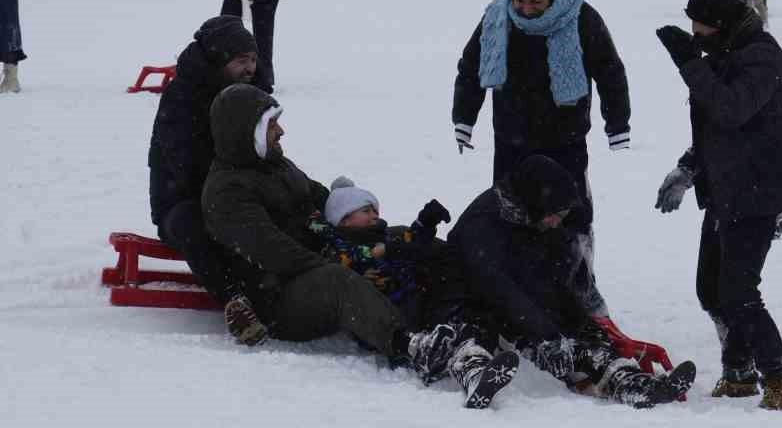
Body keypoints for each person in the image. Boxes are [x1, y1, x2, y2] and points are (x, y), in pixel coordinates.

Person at [452, 0, 631, 316]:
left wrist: (617, 122)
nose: (526, 8)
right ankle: (518, 286)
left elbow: (610, 71)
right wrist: (464, 118)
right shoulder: (497, 18)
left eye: (536, 2)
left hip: (564, 140)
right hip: (513, 139)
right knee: (512, 212)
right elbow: (470, 68)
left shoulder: (582, 18)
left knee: (570, 214)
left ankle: (580, 285)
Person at [653, 0, 782, 410]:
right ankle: (738, 371)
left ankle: (780, 377)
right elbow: (715, 128)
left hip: (759, 194)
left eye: (701, 28)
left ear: (722, 24)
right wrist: (687, 168)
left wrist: (689, 63)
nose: (696, 36)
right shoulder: (724, 54)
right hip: (726, 191)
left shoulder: (762, 57)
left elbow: (731, 109)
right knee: (711, 289)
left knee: (738, 290)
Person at [447, 155, 696, 408]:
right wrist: (547, 335)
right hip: (471, 301)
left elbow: (554, 286)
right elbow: (499, 288)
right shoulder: (482, 223)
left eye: (562, 214)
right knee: (474, 333)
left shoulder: (536, 220)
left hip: (519, 307)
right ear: (538, 201)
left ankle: (630, 382)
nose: (558, 221)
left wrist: (584, 327)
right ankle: (475, 375)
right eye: (555, 214)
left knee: (578, 336)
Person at [202, 85, 410, 361]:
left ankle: (461, 311)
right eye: (271, 124)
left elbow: (322, 200)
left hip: (318, 262)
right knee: (339, 280)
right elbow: (274, 252)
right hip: (279, 299)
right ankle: (408, 343)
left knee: (401, 239)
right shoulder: (226, 191)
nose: (281, 131)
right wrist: (347, 261)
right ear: (245, 131)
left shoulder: (276, 165)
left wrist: (362, 226)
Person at [312, 180, 522, 409]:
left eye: (375, 209)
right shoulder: (342, 251)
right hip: (390, 319)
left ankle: (474, 371)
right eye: (365, 210)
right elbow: (352, 273)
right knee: (446, 329)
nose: (374, 214)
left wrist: (425, 223)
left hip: (416, 305)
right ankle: (449, 353)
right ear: (344, 219)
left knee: (461, 328)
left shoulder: (384, 238)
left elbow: (408, 242)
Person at [148, 16, 269, 346]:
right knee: (194, 222)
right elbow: (187, 164)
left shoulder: (245, 93)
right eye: (241, 61)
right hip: (181, 201)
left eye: (254, 60)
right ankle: (233, 298)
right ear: (220, 60)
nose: (250, 68)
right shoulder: (182, 99)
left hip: (234, 193)